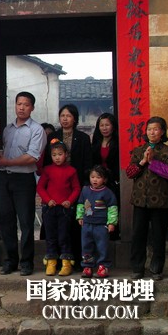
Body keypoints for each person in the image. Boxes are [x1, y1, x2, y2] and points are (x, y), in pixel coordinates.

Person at [0, 91, 46, 276]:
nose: (22, 108)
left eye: (26, 104)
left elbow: (32, 156)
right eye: (19, 104)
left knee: (26, 222)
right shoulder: (7, 129)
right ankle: (10, 261)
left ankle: (26, 262)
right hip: (4, 178)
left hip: (23, 180)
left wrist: (7, 162)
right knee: (5, 221)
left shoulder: (37, 130)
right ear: (15, 105)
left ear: (32, 107)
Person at [126, 117, 168, 280]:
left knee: (158, 236)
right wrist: (142, 162)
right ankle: (137, 268)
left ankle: (156, 269)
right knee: (138, 235)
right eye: (149, 129)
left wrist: (153, 161)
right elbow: (130, 173)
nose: (152, 132)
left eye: (155, 129)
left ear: (162, 132)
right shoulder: (138, 150)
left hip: (161, 201)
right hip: (140, 200)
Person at [44, 104, 92, 266]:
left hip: (75, 184)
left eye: (68, 116)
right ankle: (55, 259)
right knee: (55, 226)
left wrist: (85, 184)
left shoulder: (83, 138)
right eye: (62, 116)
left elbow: (87, 163)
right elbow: (47, 162)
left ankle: (75, 259)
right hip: (56, 186)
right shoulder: (53, 137)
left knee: (75, 222)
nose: (65, 119)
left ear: (75, 119)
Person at [36, 139, 80, 276]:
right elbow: (40, 187)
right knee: (50, 236)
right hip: (49, 208)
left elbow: (76, 188)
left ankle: (66, 263)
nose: (57, 157)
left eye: (60, 154)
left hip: (64, 209)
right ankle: (51, 263)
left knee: (64, 236)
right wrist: (48, 200)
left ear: (66, 154)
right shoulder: (47, 170)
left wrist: (69, 201)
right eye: (54, 155)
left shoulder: (71, 171)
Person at [76, 165, 118, 278]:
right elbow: (81, 203)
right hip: (87, 224)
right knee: (86, 246)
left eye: (98, 177)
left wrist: (111, 222)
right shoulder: (85, 190)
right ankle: (87, 266)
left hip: (101, 225)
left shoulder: (107, 193)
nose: (95, 180)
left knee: (102, 246)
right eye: (92, 177)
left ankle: (103, 266)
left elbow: (112, 208)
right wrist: (80, 217)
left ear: (104, 179)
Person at [91, 112, 120, 240]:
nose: (104, 128)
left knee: (112, 212)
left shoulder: (118, 143)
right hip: (97, 184)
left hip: (112, 183)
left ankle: (113, 237)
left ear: (113, 126)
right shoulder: (95, 144)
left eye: (107, 125)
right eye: (101, 125)